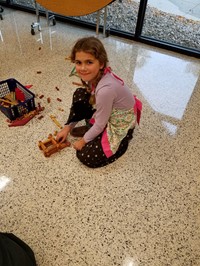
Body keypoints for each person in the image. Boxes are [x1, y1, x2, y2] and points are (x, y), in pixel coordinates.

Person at [56, 36, 142, 168]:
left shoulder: (105, 90)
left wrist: (84, 141)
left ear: (101, 63)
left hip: (119, 123)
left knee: (85, 155)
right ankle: (92, 130)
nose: (82, 68)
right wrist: (67, 128)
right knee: (80, 94)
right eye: (78, 62)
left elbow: (101, 124)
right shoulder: (96, 77)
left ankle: (123, 140)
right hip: (107, 113)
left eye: (89, 62)